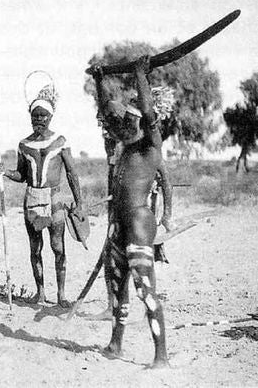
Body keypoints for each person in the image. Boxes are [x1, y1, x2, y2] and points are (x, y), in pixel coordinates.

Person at [90, 56, 169, 368]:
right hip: (119, 225)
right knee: (118, 287)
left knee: (145, 290)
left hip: (138, 222)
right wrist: (99, 80)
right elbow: (106, 113)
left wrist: (140, 76)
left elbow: (149, 113)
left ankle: (161, 357)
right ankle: (115, 344)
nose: (124, 124)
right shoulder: (124, 145)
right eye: (124, 121)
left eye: (130, 121)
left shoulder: (151, 147)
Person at [0, 84, 84, 307]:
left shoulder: (61, 142)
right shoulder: (24, 145)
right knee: (35, 248)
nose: (39, 119)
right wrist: (4, 172)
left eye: (43, 115)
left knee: (58, 247)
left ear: (51, 116)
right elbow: (22, 175)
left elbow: (72, 173)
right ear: (30, 117)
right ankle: (40, 292)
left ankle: (61, 295)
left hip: (54, 199)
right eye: (35, 116)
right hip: (32, 199)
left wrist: (79, 203)